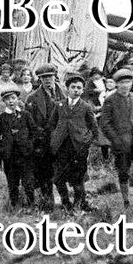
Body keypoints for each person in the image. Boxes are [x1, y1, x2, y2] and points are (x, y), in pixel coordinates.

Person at [49, 73, 100, 212]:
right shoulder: (59, 105)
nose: (76, 90)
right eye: (73, 87)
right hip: (61, 147)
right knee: (59, 178)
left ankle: (79, 204)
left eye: (79, 88)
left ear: (83, 90)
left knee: (78, 178)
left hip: (78, 147)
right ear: (67, 89)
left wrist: (87, 141)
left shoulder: (86, 106)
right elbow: (52, 124)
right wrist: (55, 138)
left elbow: (94, 127)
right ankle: (66, 203)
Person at [101, 68, 133, 207]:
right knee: (123, 171)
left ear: (131, 83)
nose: (125, 85)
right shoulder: (110, 99)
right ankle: (126, 200)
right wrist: (116, 140)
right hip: (121, 142)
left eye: (128, 82)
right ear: (116, 84)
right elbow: (105, 124)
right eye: (122, 82)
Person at [0, 85, 39, 209]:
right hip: (10, 156)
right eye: (7, 99)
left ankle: (31, 205)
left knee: (28, 182)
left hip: (25, 155)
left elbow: (34, 131)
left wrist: (30, 145)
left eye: (13, 98)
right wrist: (2, 149)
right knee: (12, 183)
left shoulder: (25, 115)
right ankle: (14, 206)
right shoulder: (1, 118)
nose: (11, 101)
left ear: (18, 99)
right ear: (4, 102)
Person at [24, 63, 64, 208]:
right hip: (43, 140)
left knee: (62, 170)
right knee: (44, 171)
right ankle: (48, 200)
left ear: (55, 77)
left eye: (50, 77)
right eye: (44, 77)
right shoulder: (32, 98)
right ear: (40, 79)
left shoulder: (64, 92)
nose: (47, 80)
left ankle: (66, 199)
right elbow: (29, 122)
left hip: (61, 138)